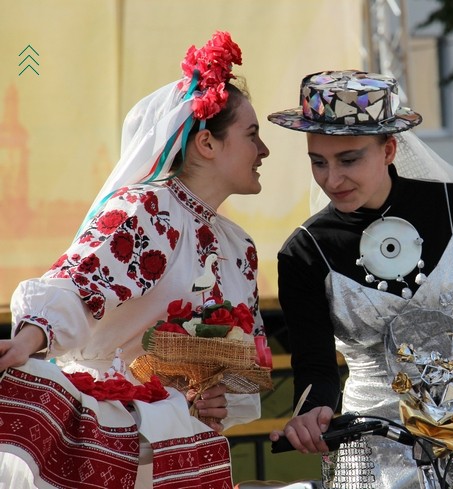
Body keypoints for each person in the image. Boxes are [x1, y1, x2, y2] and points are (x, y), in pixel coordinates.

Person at [266, 70, 453, 488]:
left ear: (389, 149)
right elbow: (316, 365)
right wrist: (312, 411)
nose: (331, 179)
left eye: (349, 159)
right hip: (376, 447)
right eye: (318, 162)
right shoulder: (303, 250)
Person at [0, 31, 269, 488]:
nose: (263, 151)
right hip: (106, 436)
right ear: (207, 144)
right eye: (252, 135)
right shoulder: (147, 210)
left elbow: (238, 370)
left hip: (181, 447)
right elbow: (81, 280)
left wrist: (212, 397)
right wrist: (27, 343)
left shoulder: (237, 247)